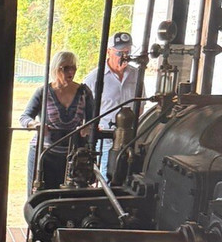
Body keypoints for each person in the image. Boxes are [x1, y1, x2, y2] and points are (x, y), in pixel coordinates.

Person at [20, 50, 95, 191]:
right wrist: (35, 124)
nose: (70, 72)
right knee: (38, 196)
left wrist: (88, 127)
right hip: (43, 153)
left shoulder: (84, 92)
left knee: (68, 197)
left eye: (73, 68)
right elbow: (24, 117)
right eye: (66, 68)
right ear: (56, 69)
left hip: (73, 157)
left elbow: (93, 119)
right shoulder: (43, 92)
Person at [83, 32, 137, 173]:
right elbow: (83, 110)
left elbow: (140, 106)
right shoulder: (94, 78)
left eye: (128, 52)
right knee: (108, 176)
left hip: (131, 138)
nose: (125, 57)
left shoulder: (136, 75)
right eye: (120, 53)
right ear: (109, 52)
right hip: (106, 139)